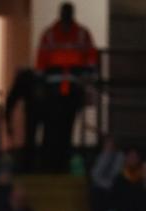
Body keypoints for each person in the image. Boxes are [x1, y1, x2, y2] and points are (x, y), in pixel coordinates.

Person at [35, 2, 98, 170]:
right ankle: (49, 165)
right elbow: (41, 63)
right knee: (51, 128)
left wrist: (88, 86)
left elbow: (91, 61)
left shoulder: (82, 34)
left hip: (73, 91)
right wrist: (40, 87)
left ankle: (61, 164)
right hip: (53, 91)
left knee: (67, 128)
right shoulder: (50, 34)